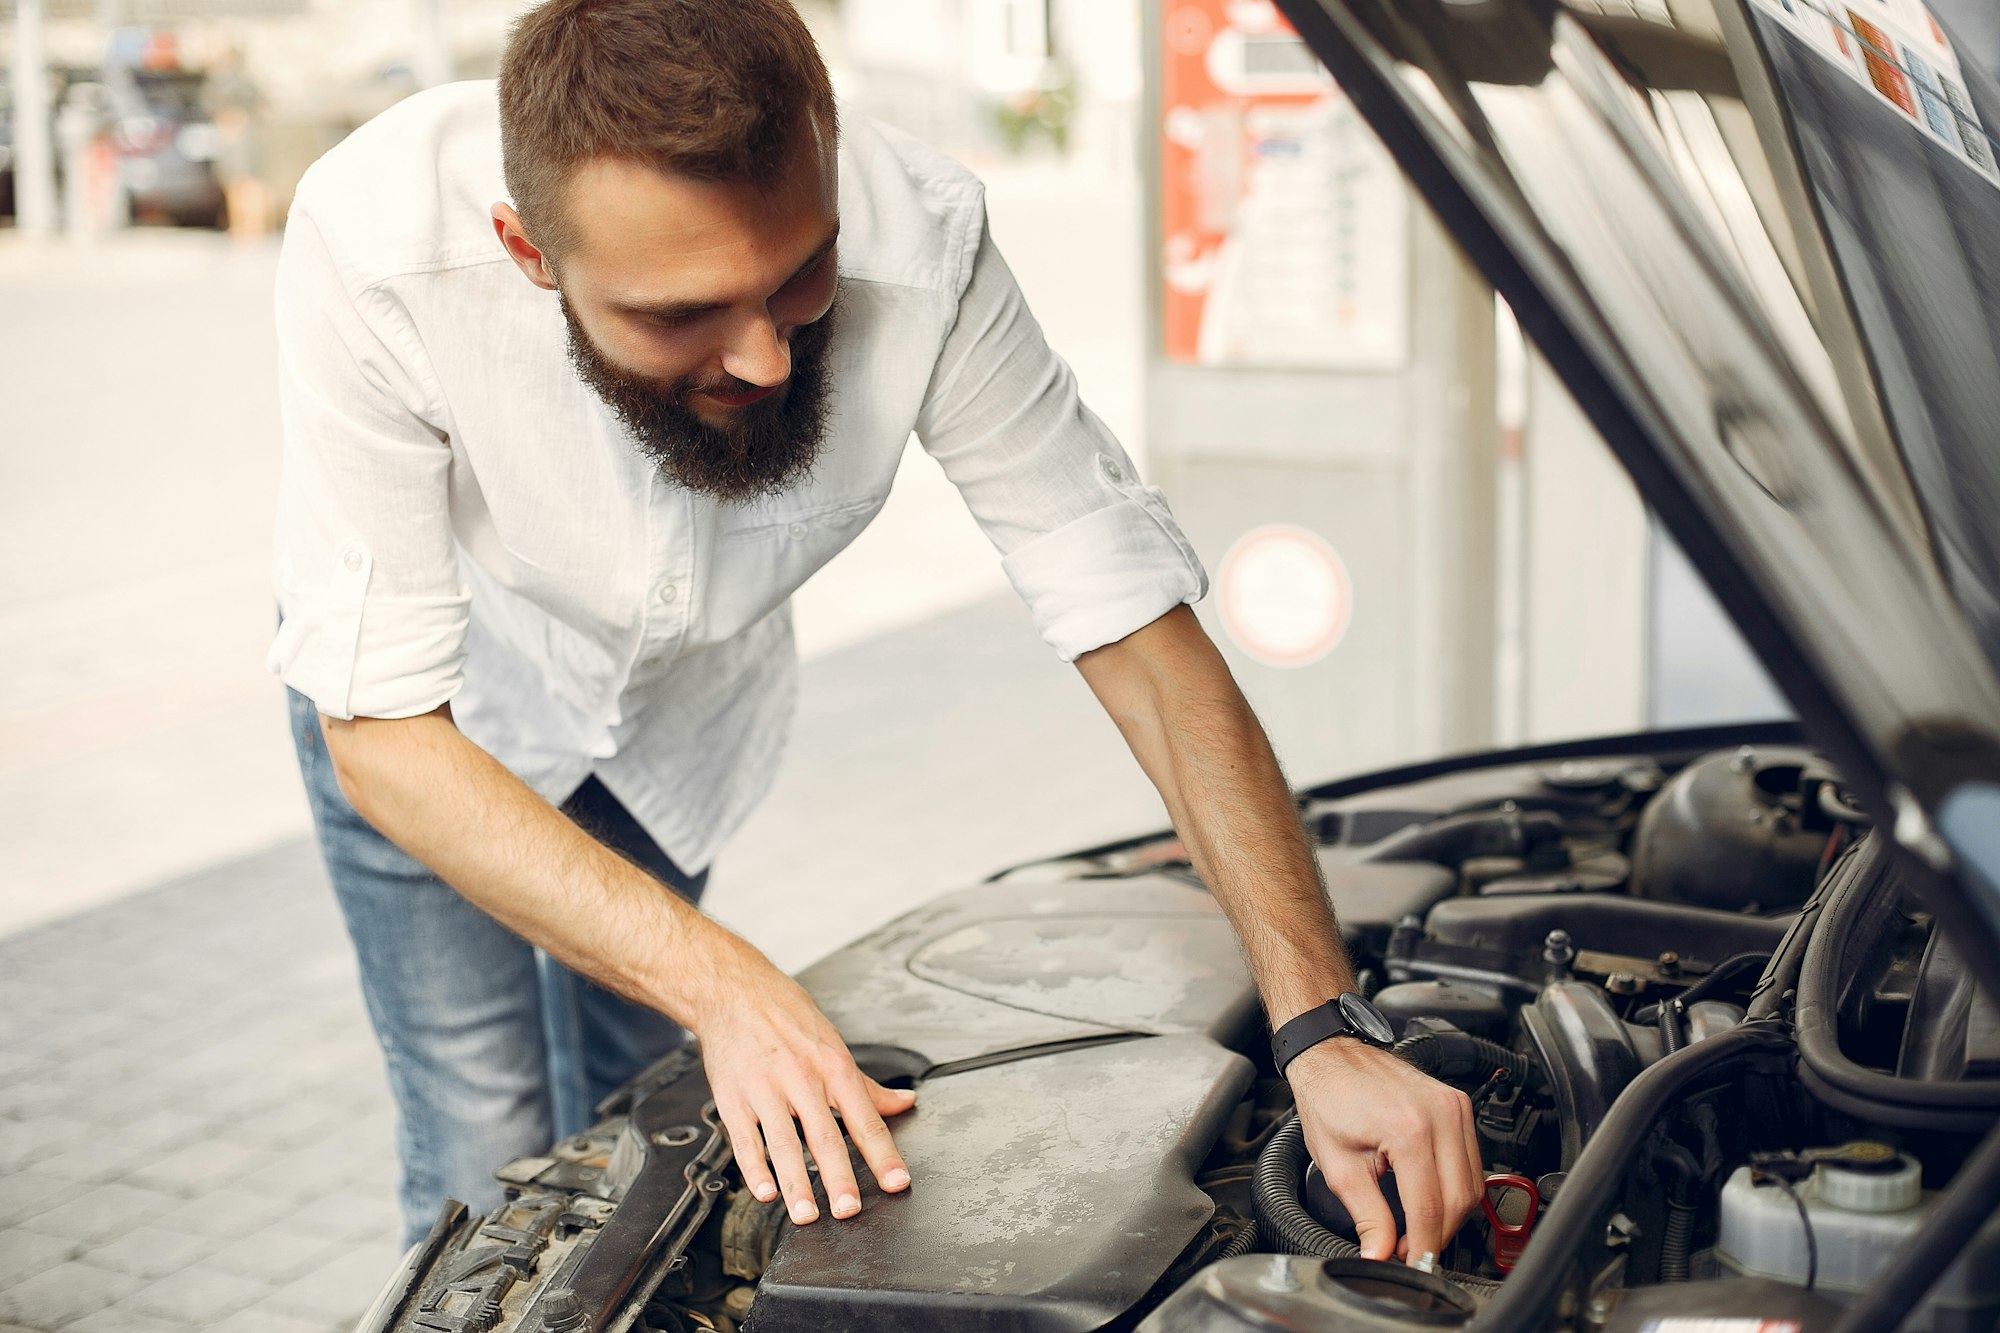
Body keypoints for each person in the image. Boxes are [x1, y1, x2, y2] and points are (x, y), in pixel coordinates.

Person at [271, 0, 1481, 1264]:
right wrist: (727, 983)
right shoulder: (374, 240)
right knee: (484, 1132)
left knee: (633, 1121)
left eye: (798, 277)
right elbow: (384, 731)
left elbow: (1134, 622)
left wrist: (1318, 1024)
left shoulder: (928, 241)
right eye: (680, 311)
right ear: (528, 252)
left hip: (673, 734)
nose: (763, 359)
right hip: (437, 720)